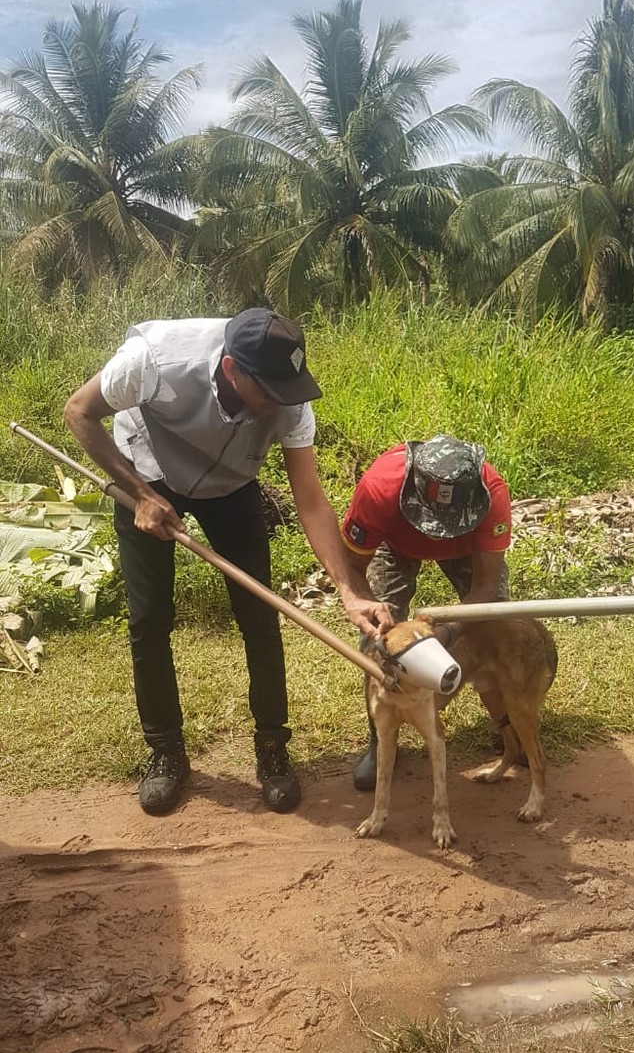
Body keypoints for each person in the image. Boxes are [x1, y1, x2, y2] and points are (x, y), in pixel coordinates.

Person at [63, 309, 392, 817]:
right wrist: (139, 493)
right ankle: (167, 752)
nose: (280, 403)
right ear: (233, 368)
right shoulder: (155, 359)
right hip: (148, 475)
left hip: (232, 487)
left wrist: (350, 589)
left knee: (260, 617)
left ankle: (272, 748)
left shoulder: (288, 399)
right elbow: (78, 411)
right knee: (148, 620)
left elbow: (310, 499)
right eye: (270, 392)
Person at [340, 436, 512, 790]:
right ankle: (381, 739)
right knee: (376, 642)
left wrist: (447, 632)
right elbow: (354, 570)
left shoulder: (492, 494)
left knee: (497, 626)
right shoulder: (379, 488)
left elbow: (486, 589)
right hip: (394, 544)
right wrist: (376, 616)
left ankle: (508, 727)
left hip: (467, 549)